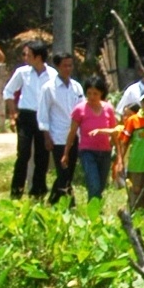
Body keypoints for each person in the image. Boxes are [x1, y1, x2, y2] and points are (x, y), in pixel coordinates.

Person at [4, 43, 53, 200]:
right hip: (26, 116)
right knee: (23, 153)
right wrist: (13, 113)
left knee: (42, 155)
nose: (26, 58)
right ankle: (16, 190)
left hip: (44, 117)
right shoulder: (22, 73)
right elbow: (8, 91)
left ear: (38, 57)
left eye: (29, 55)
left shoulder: (52, 75)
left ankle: (37, 191)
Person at [41, 54, 86, 204]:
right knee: (63, 171)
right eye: (64, 66)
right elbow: (43, 113)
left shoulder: (76, 87)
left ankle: (52, 200)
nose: (68, 69)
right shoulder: (48, 88)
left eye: (70, 65)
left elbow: (82, 109)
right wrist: (46, 135)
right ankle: (70, 203)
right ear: (58, 67)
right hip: (58, 136)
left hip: (75, 135)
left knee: (69, 173)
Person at [68, 80, 119, 203]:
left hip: (105, 152)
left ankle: (96, 209)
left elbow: (114, 132)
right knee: (94, 184)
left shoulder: (108, 109)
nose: (91, 97)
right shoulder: (79, 110)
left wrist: (119, 154)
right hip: (87, 152)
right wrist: (66, 152)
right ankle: (94, 214)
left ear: (102, 93)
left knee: (101, 186)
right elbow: (72, 132)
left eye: (95, 93)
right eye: (89, 93)